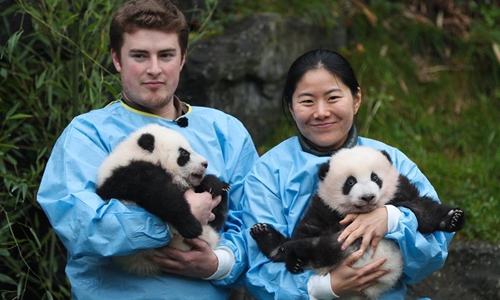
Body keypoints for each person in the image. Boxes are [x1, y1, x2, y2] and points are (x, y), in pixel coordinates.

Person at [36, 0, 258, 299]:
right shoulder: (87, 134)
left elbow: (255, 226)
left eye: (166, 55)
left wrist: (218, 264)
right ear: (117, 59)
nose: (154, 69)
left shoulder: (226, 131)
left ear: (182, 59)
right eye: (140, 56)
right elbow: (82, 227)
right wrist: (175, 219)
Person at [241, 49, 454, 299]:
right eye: (307, 101)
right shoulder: (269, 171)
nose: (321, 112)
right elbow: (257, 269)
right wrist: (325, 288)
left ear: (356, 99)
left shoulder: (390, 159)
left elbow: (435, 248)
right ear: (290, 106)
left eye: (333, 98)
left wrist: (393, 218)